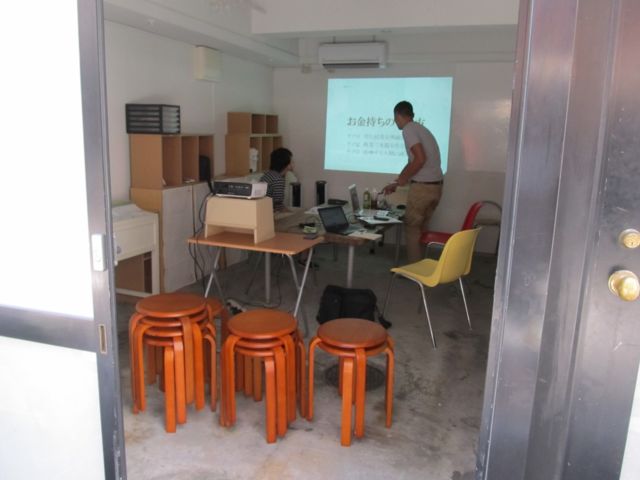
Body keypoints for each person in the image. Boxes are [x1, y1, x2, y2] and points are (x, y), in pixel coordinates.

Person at [384, 101, 443, 263]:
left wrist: (403, 179)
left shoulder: (408, 129)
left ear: (397, 115)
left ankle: (414, 270)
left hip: (422, 189)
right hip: (435, 187)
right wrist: (397, 182)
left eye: (395, 118)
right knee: (421, 229)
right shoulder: (421, 129)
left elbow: (420, 159)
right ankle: (422, 266)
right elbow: (413, 162)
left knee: (412, 230)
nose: (395, 122)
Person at [260, 147, 293, 211]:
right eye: (291, 161)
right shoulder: (278, 179)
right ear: (286, 164)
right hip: (268, 211)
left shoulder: (268, 174)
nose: (293, 163)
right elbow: (278, 204)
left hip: (262, 209)